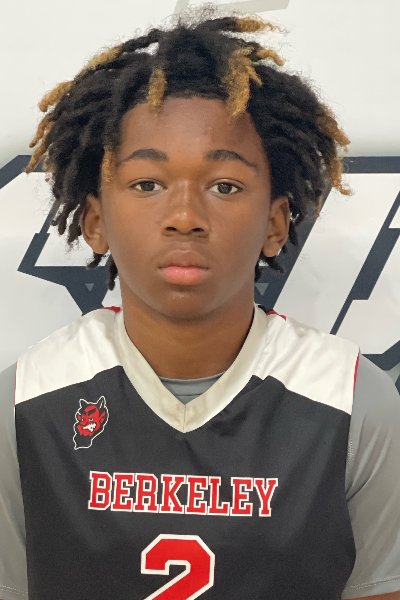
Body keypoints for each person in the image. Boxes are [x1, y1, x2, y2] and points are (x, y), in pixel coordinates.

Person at [0, 7, 399, 600]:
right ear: (94, 222)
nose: (185, 216)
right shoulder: (24, 402)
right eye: (147, 184)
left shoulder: (354, 401)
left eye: (225, 186)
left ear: (275, 224)